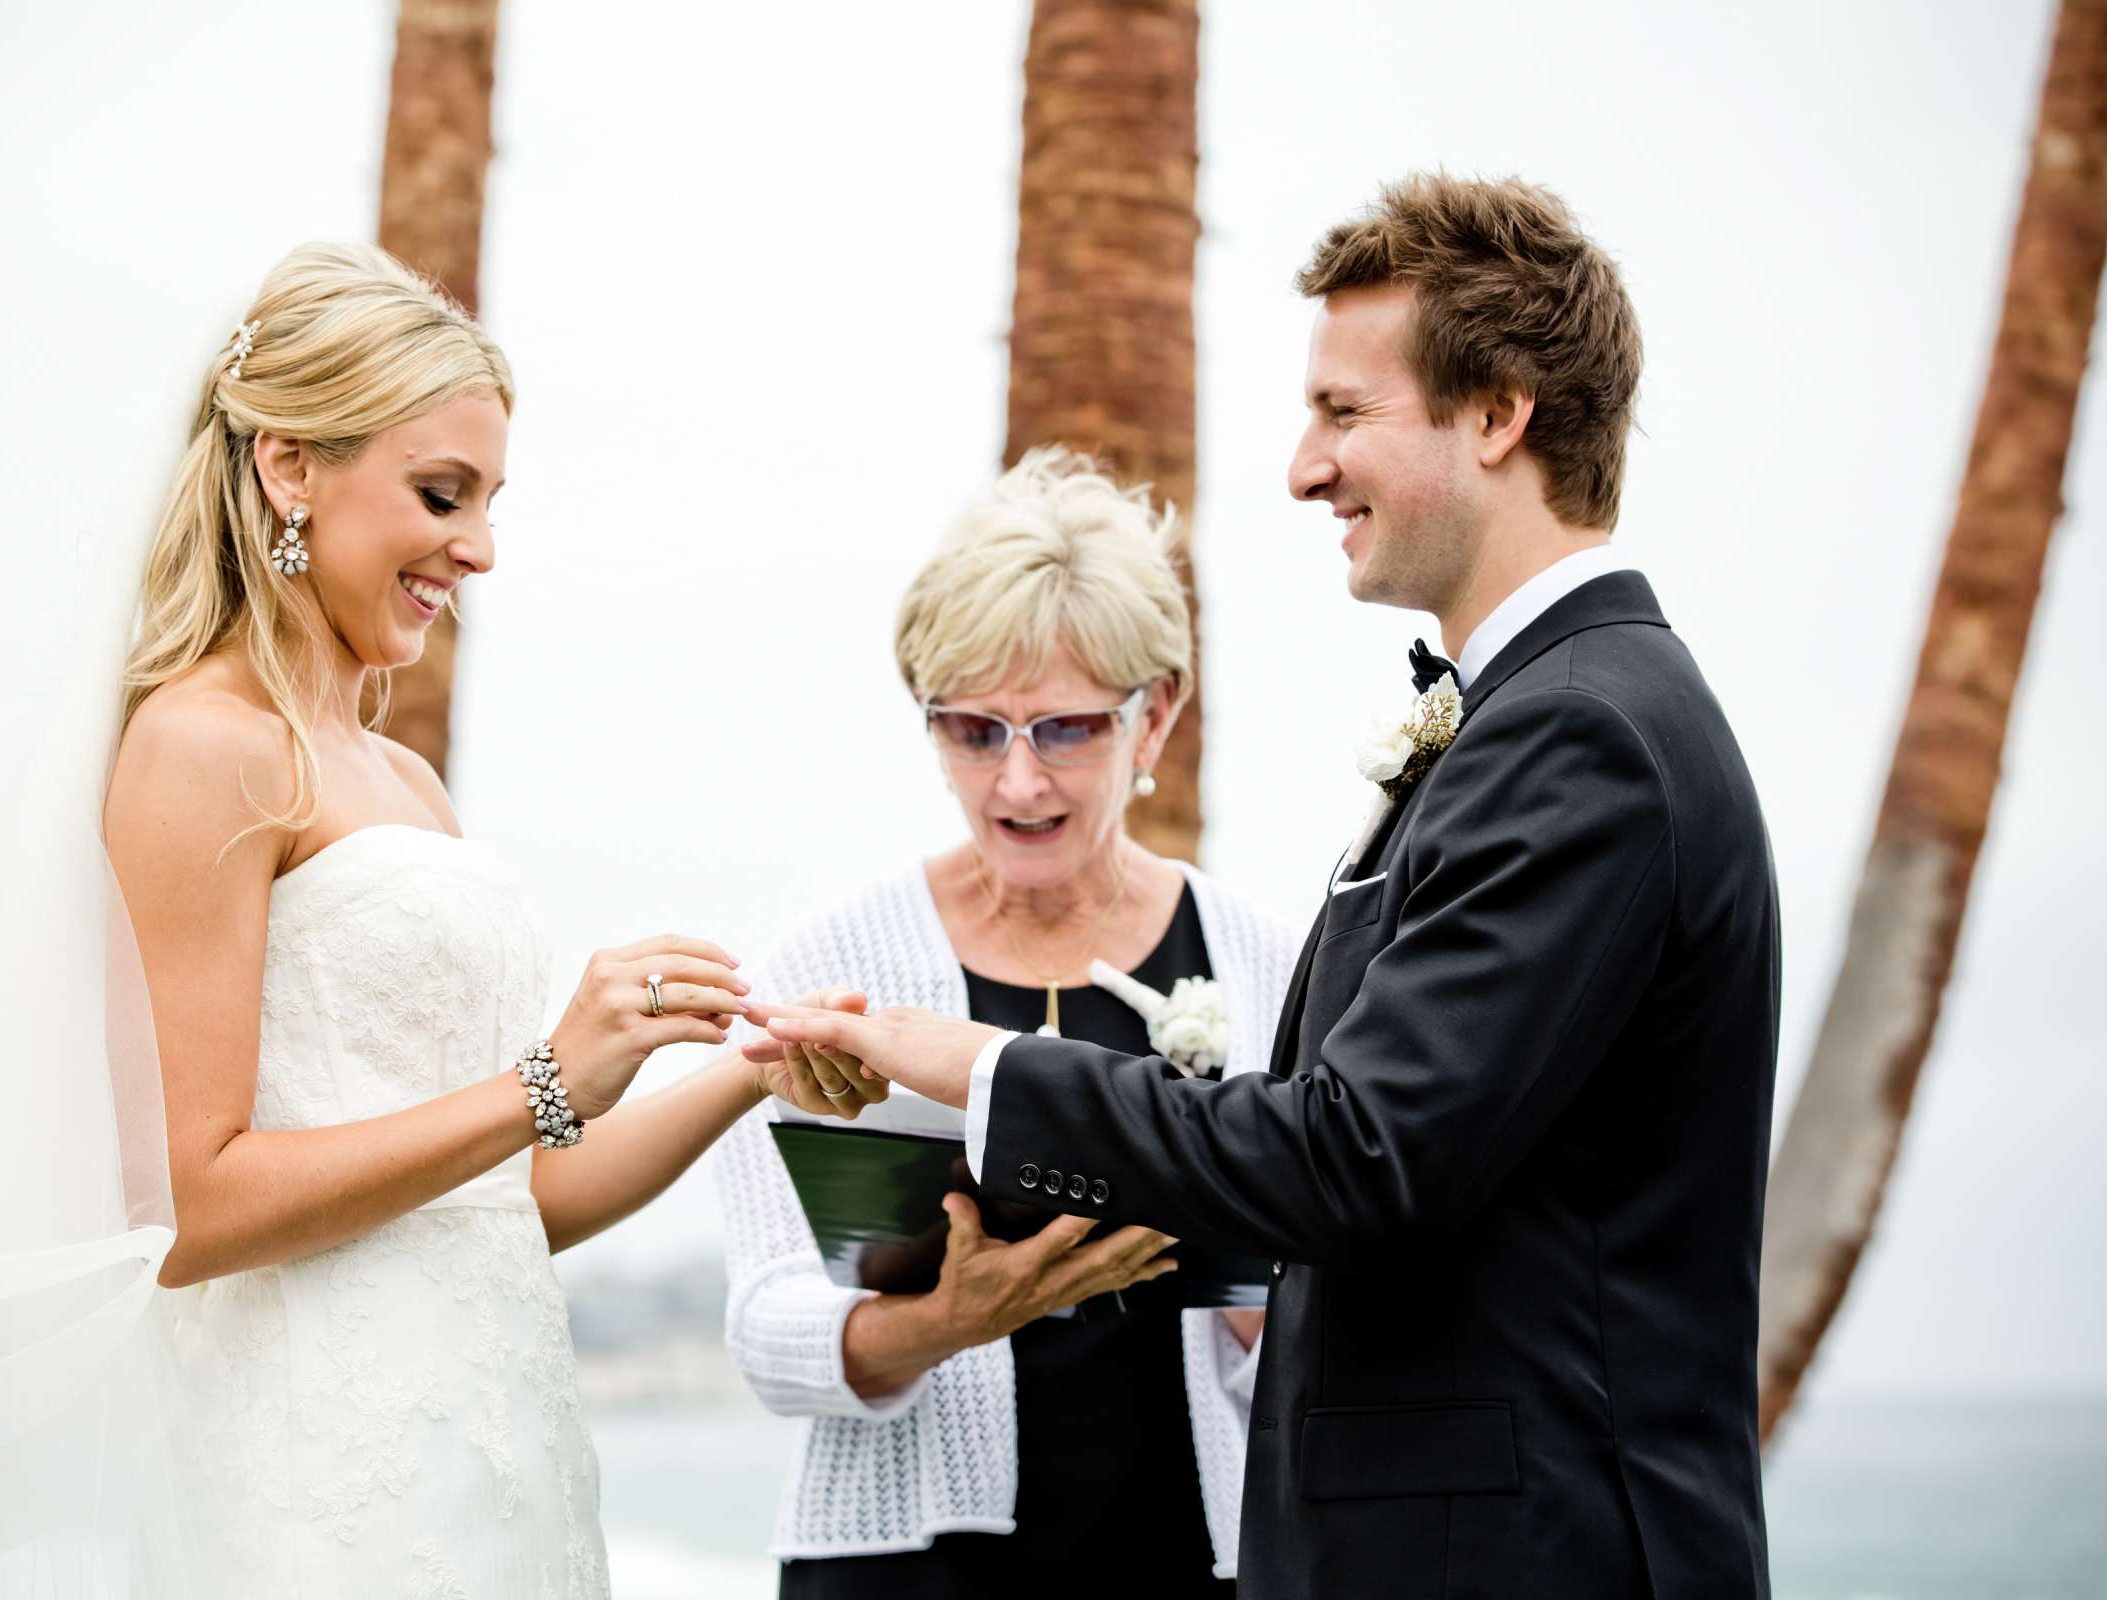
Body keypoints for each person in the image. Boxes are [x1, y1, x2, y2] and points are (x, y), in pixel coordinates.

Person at [755, 175, 1781, 1598]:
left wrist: (971, 1062)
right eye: (971, 728)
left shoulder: (1580, 734)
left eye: (1345, 413)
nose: (1306, 468)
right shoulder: (1540, 718)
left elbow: (1359, 1158)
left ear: (1498, 415)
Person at [100, 242, 874, 1596]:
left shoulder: (403, 777)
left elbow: (518, 1194)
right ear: (291, 467)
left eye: (491, 503)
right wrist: (542, 1083)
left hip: (492, 1437)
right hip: (314, 1461)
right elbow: (186, 1207)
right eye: (442, 494)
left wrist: (748, 1074)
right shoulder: (199, 747)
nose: (480, 549)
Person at [715, 448, 1305, 1596]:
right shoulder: (828, 964)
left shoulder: (1268, 966)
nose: (1018, 782)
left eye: (1066, 730)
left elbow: (1337, 1319)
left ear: (1156, 716)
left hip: (1197, 1560)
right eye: (973, 731)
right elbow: (766, 1326)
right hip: (905, 1567)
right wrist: (944, 1319)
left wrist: (1266, 1313)